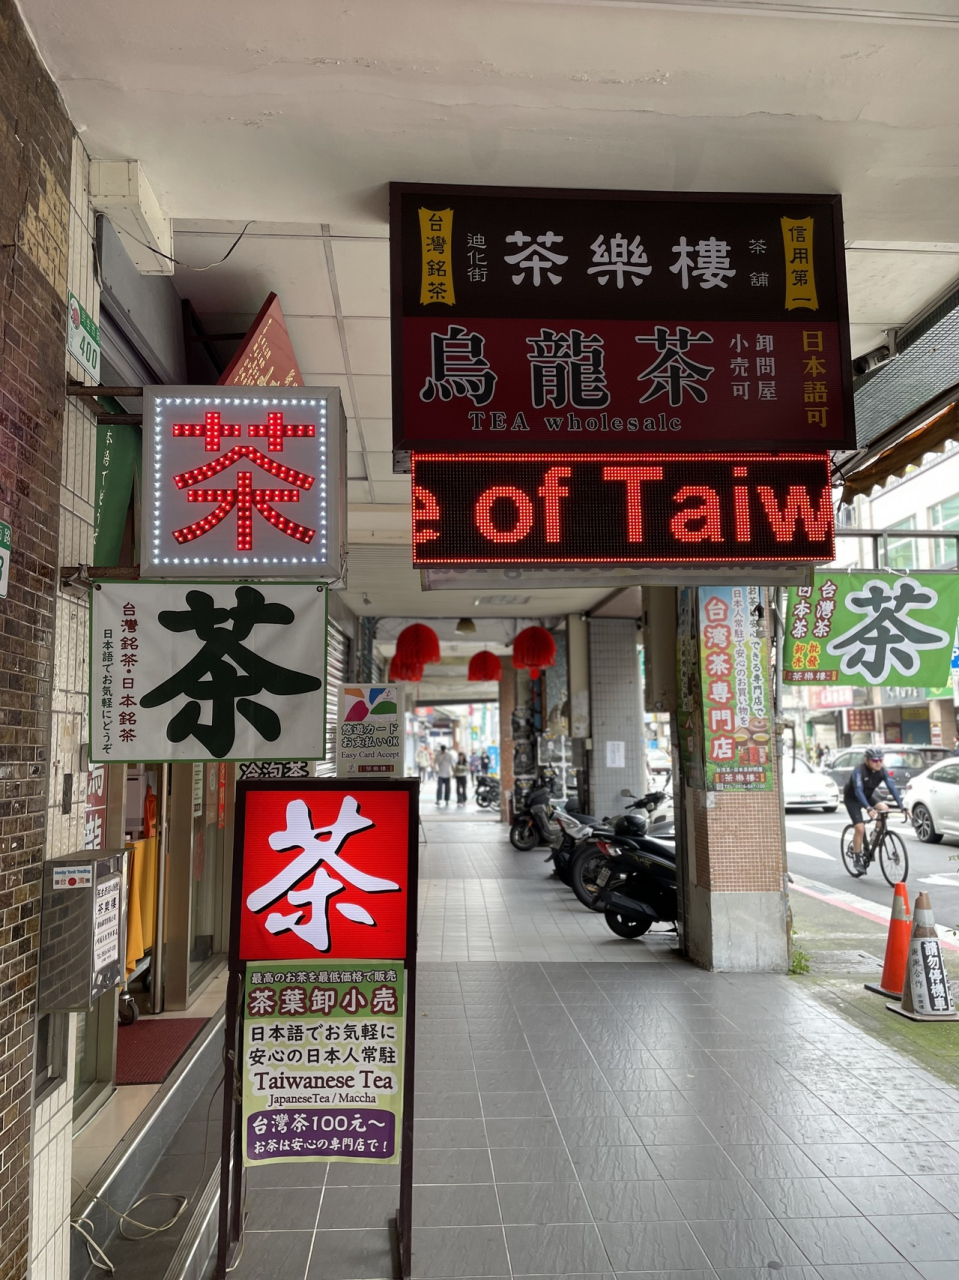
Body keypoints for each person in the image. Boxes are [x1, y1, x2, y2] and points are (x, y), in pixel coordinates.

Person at [843, 747, 904, 864]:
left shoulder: (882, 771)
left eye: (881, 760)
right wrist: (868, 807)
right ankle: (857, 858)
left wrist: (902, 806)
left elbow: (892, 788)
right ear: (867, 760)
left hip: (867, 796)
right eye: (875, 760)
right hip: (853, 799)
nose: (878, 763)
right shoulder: (859, 770)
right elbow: (858, 791)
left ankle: (875, 835)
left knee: (884, 808)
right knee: (860, 828)